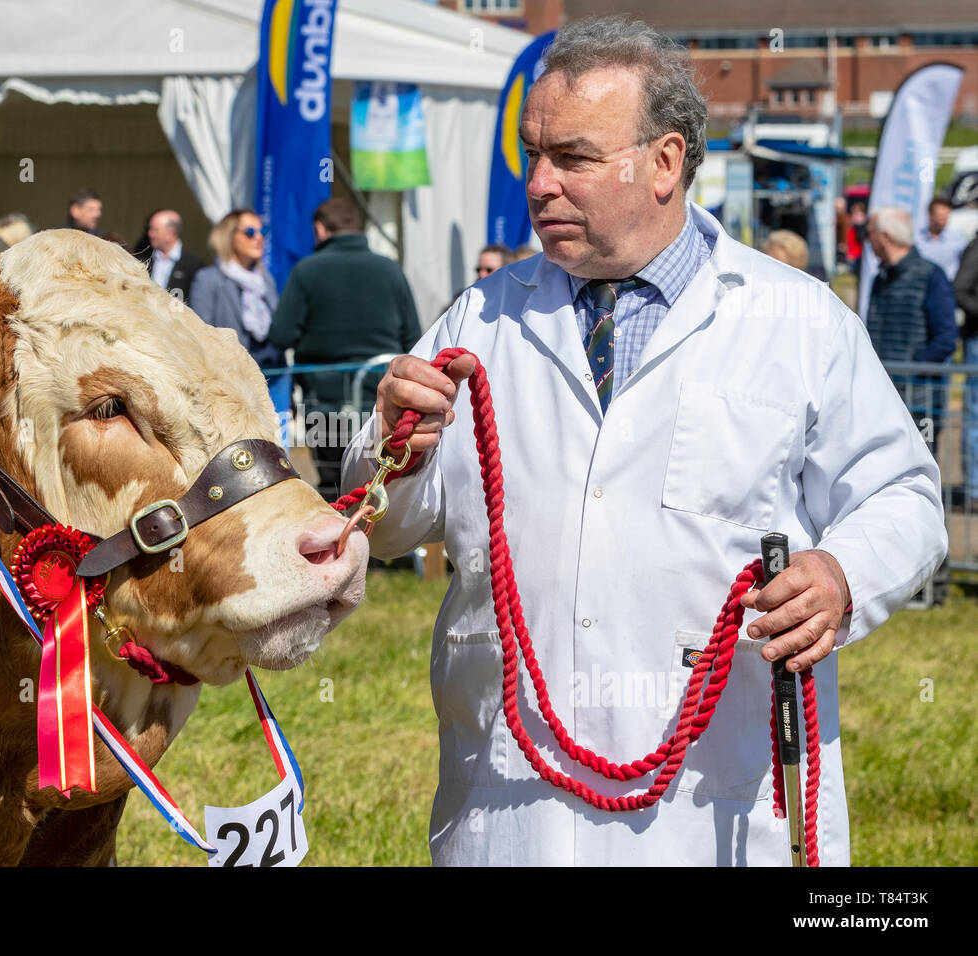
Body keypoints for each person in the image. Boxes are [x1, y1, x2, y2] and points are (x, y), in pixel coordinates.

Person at [341, 16, 945, 867]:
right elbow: (391, 525)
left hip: (712, 807)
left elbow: (907, 498)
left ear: (665, 162)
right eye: (533, 154)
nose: (541, 184)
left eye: (575, 158)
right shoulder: (482, 316)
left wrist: (843, 576)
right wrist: (391, 440)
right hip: (512, 804)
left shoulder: (795, 319)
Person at [269, 197, 422, 499]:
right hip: (382, 399)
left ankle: (339, 545)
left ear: (320, 229)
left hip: (324, 401)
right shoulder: (390, 270)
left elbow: (280, 335)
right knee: (381, 482)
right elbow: (414, 339)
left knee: (334, 485)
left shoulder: (307, 271)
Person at [865, 205, 957, 446]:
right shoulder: (881, 278)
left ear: (885, 236)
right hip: (883, 397)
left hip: (919, 401)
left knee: (919, 473)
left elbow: (946, 338)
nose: (868, 241)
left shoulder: (931, 276)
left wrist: (910, 369)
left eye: (869, 233)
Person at [190, 209, 282, 369]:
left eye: (263, 231)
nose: (259, 238)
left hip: (273, 373)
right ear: (229, 236)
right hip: (232, 376)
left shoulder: (265, 279)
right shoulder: (208, 279)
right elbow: (202, 334)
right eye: (250, 232)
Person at [953, 235, 978, 502]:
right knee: (975, 416)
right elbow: (960, 288)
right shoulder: (976, 247)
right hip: (975, 341)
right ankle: (974, 488)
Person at [138, 209, 204, 303]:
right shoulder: (142, 259)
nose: (150, 234)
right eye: (150, 229)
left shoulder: (193, 265)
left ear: (171, 233)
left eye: (155, 230)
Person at [916, 198, 969, 282]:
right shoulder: (917, 239)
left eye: (946, 216)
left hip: (948, 285)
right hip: (922, 282)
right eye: (940, 216)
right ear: (930, 216)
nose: (944, 220)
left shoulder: (958, 239)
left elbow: (967, 263)